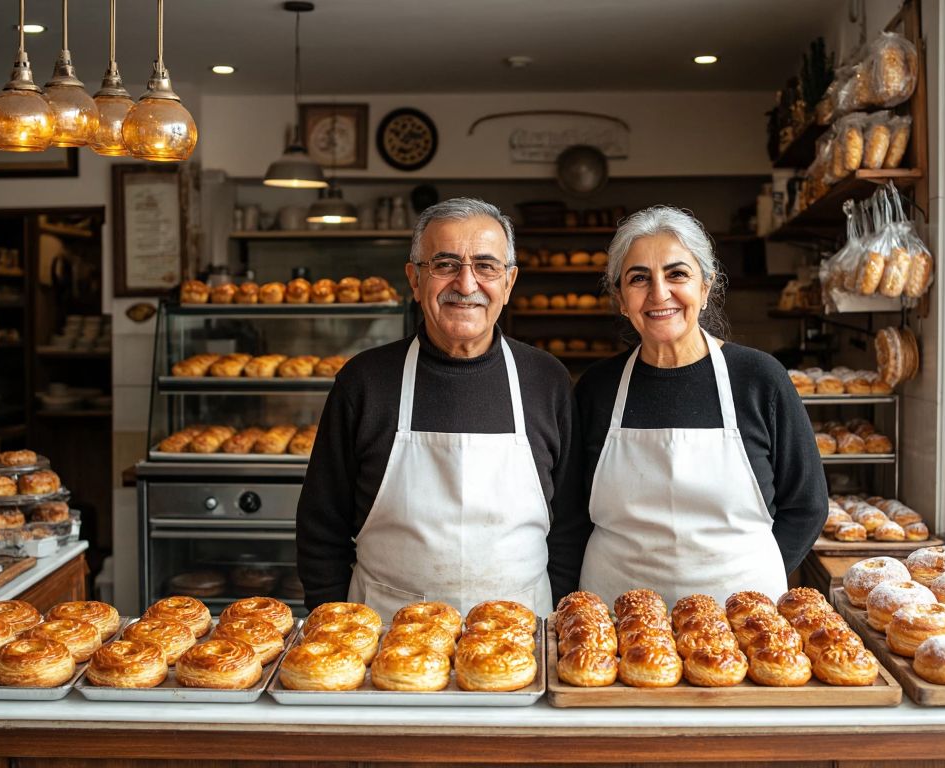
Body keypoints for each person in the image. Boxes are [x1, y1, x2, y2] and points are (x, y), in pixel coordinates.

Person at [295, 198, 579, 620]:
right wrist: (335, 627)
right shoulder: (365, 382)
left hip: (520, 641)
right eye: (445, 264)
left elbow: (571, 528)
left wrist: (555, 619)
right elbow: (322, 528)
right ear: (414, 278)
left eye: (486, 266)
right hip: (385, 641)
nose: (466, 285)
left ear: (509, 282)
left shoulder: (546, 380)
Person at [563, 205, 828, 607]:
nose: (659, 293)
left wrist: (755, 579)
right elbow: (571, 514)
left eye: (677, 274)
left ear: (706, 287)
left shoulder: (759, 378)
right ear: (620, 297)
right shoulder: (598, 388)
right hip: (617, 624)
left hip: (738, 623)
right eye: (639, 278)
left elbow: (807, 505)